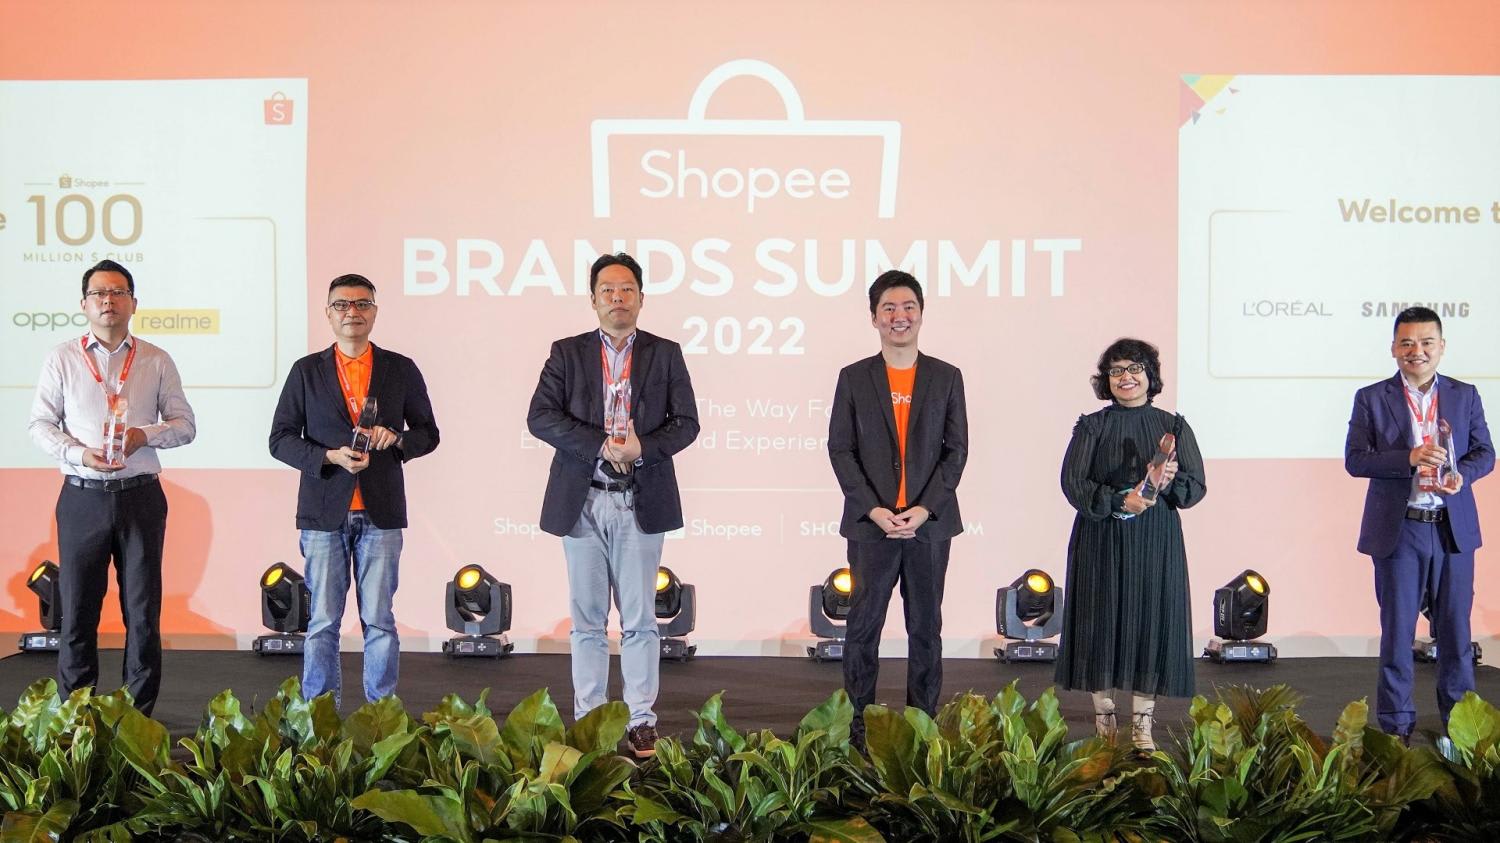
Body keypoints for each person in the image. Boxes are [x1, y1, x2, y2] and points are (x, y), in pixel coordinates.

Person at [527, 252, 699, 758]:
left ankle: (642, 720)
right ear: (593, 299)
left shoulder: (665, 353)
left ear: (641, 298)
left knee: (641, 619)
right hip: (583, 500)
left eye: (627, 290)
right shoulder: (567, 353)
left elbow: (686, 423)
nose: (617, 298)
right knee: (587, 620)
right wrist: (601, 445)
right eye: (608, 290)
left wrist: (641, 448)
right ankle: (591, 721)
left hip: (639, 501)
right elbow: (540, 416)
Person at [27, 259, 196, 714]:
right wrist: (79, 454)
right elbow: (40, 424)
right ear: (84, 304)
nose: (108, 301)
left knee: (142, 612)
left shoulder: (156, 359)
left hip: (140, 495)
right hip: (81, 495)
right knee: (77, 610)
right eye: (99, 293)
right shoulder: (62, 358)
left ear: (133, 303)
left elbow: (185, 425)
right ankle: (76, 714)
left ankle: (136, 718)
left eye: (118, 292)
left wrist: (145, 434)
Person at [269, 274, 439, 706]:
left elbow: (428, 433)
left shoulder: (399, 368)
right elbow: (280, 439)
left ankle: (380, 715)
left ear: (375, 312)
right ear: (328, 314)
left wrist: (396, 439)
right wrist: (328, 456)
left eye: (362, 304)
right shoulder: (306, 371)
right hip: (323, 511)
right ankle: (319, 715)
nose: (352, 312)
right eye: (342, 305)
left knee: (379, 620)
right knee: (323, 621)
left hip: (381, 512)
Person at [827, 269, 968, 744]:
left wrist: (925, 509)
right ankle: (859, 729)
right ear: (874, 318)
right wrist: (873, 509)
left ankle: (922, 727)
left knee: (925, 629)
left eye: (908, 306)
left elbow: (956, 452)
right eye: (888, 308)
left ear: (921, 314)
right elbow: (840, 449)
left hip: (930, 526)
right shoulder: (853, 377)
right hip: (872, 527)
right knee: (862, 628)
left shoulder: (947, 377)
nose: (899, 316)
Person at [1345, 306, 1492, 742]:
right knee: (1397, 636)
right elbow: (1356, 460)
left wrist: (1463, 476)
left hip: (1451, 529)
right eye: (1407, 343)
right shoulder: (1372, 398)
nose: (1417, 351)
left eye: (1427, 342)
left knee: (1456, 636)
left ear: (1441, 347)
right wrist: (1408, 458)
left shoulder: (1465, 395)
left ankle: (1462, 732)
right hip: (1401, 530)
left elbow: (1484, 452)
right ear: (1393, 348)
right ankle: (1397, 731)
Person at [1055, 337, 1206, 751]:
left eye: (1135, 368)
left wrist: (1169, 481)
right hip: (1100, 538)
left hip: (1154, 541)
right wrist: (1119, 501)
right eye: (1117, 370)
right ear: (1106, 379)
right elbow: (1073, 483)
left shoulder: (1173, 426)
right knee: (1099, 623)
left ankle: (1142, 728)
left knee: (1149, 623)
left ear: (1150, 376)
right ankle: (1105, 726)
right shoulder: (1093, 426)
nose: (1126, 377)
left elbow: (1195, 488)